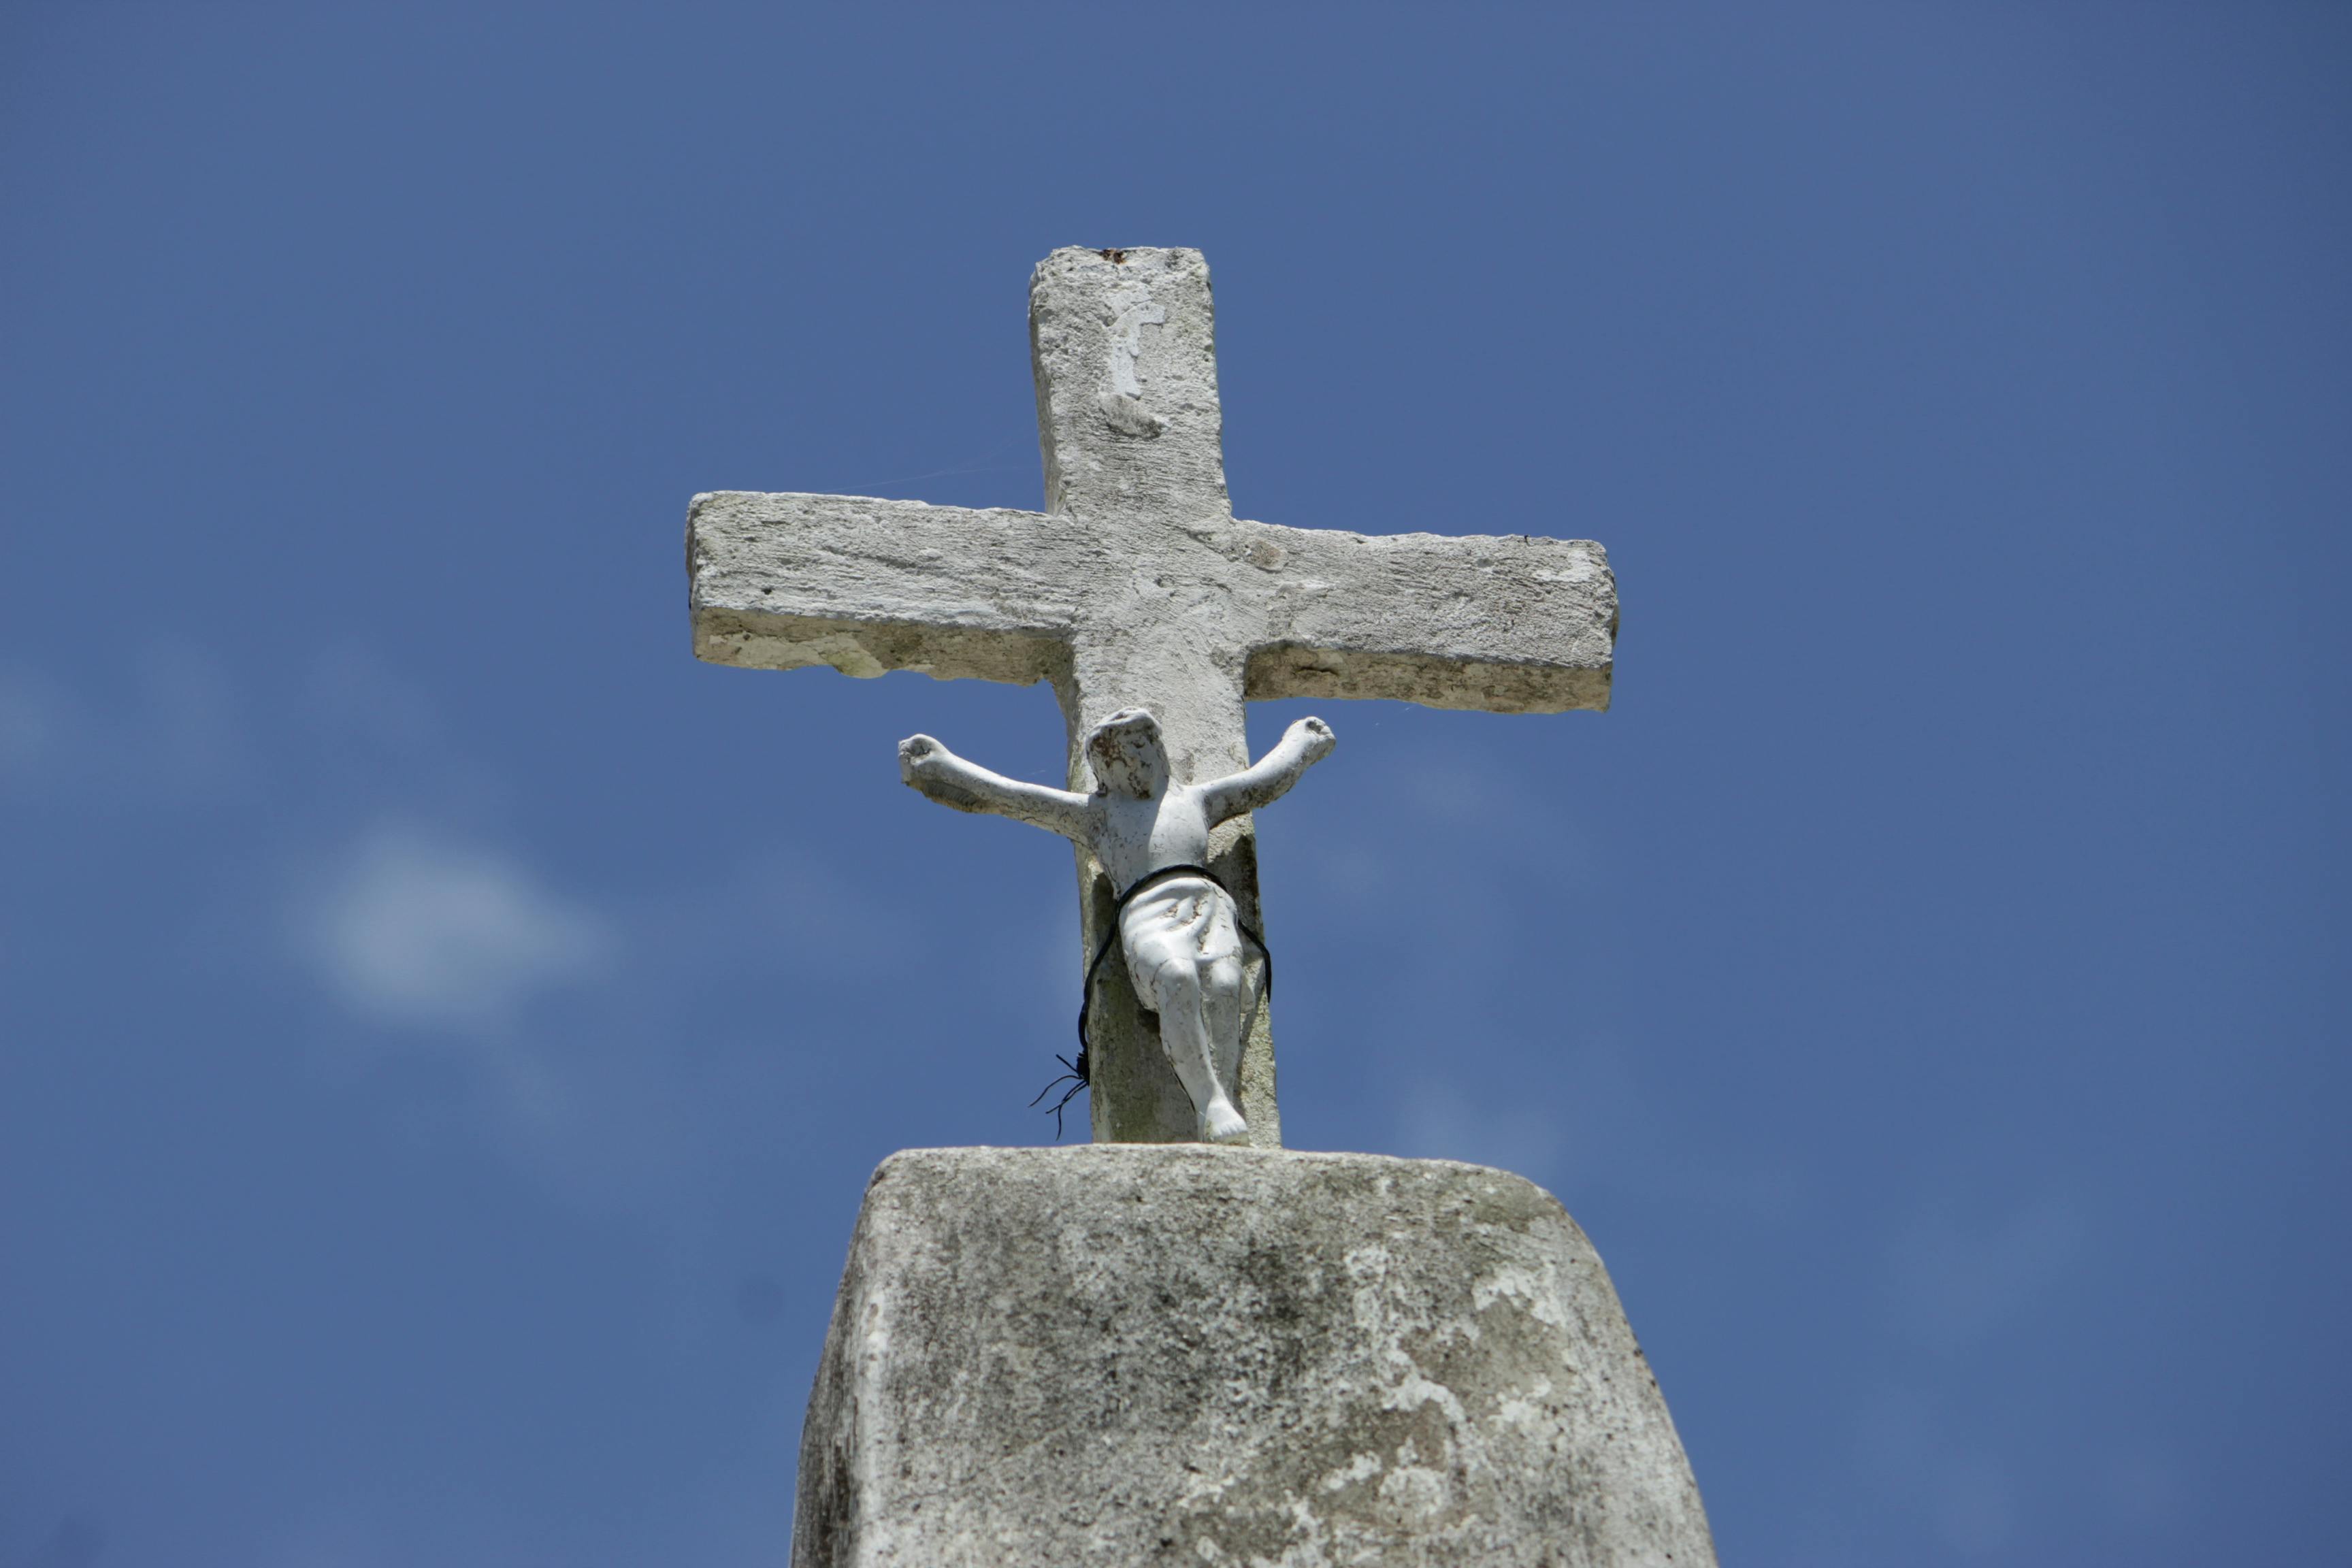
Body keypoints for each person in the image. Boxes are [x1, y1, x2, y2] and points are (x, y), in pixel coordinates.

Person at [898, 708, 1336, 1144]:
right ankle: (1210, 1102)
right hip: (1148, 911)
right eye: (1123, 755)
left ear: (1159, 750)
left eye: (1143, 747)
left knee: (1224, 985)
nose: (1137, 761)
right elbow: (1011, 796)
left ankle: (1218, 1098)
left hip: (1208, 906)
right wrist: (944, 766)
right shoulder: (1098, 815)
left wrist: (1301, 744)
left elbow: (1261, 782)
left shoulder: (1196, 800)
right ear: (1107, 769)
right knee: (1177, 977)